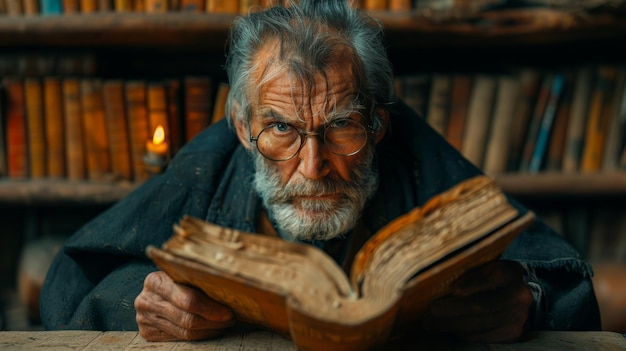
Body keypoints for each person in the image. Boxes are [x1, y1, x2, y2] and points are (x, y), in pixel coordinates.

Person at [41, 0, 600, 345]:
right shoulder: (211, 157)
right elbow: (73, 283)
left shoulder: (405, 140)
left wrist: (527, 297)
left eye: (341, 128)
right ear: (242, 126)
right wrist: (146, 301)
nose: (314, 168)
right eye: (281, 130)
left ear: (378, 125)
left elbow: (560, 275)